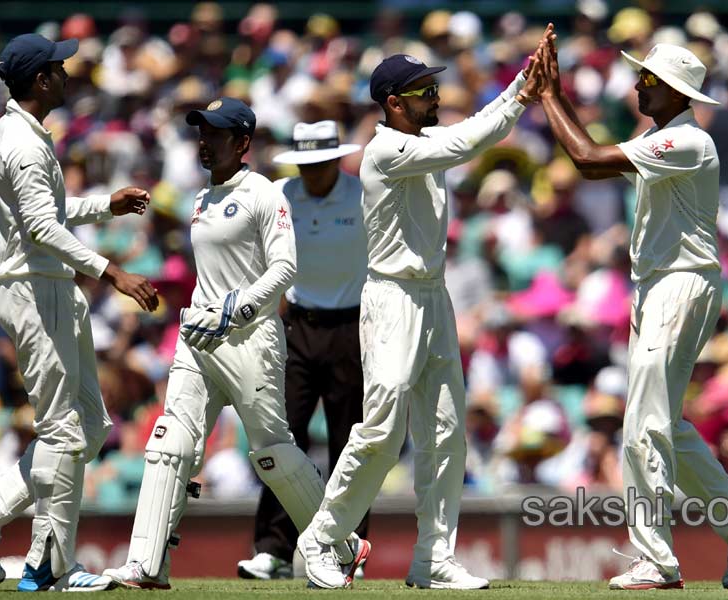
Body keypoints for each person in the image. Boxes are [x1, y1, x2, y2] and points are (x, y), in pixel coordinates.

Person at [297, 33, 547, 590]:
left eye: (434, 87)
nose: (435, 97)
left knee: (446, 431)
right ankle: (320, 537)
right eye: (423, 91)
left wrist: (518, 88)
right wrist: (520, 94)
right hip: (391, 298)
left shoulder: (424, 139)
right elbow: (463, 145)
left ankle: (433, 556)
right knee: (383, 430)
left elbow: (459, 137)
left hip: (433, 297)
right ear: (393, 103)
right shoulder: (387, 151)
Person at [532, 24, 728, 591]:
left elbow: (588, 159)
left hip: (681, 284)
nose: (639, 86)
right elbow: (594, 155)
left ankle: (657, 560)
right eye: (641, 76)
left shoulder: (687, 140)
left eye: (650, 79)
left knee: (643, 423)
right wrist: (556, 91)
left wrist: (549, 95)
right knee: (662, 423)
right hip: (661, 289)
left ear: (679, 93)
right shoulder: (664, 139)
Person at [102, 100, 368, 590]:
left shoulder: (265, 194)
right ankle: (147, 563)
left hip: (251, 339)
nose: (204, 140)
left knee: (271, 454)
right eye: (201, 132)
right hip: (200, 338)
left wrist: (240, 308)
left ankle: (343, 545)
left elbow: (285, 268)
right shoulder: (202, 198)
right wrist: (212, 314)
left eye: (216, 133)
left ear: (242, 142)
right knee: (169, 444)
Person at [0, 33, 160, 593]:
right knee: (65, 429)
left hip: (49, 289)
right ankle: (50, 565)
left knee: (87, 424)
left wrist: (103, 204)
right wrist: (114, 273)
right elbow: (40, 228)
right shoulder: (23, 143)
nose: (68, 74)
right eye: (60, 68)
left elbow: (48, 214)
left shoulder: (24, 134)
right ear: (41, 80)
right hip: (37, 293)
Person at [237, 120, 369, 580]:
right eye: (305, 164)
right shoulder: (280, 195)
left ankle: (347, 550)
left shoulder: (362, 193)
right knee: (280, 437)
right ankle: (273, 550)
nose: (313, 173)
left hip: (353, 328)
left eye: (321, 163)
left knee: (349, 444)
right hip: (295, 326)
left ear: (336, 159)